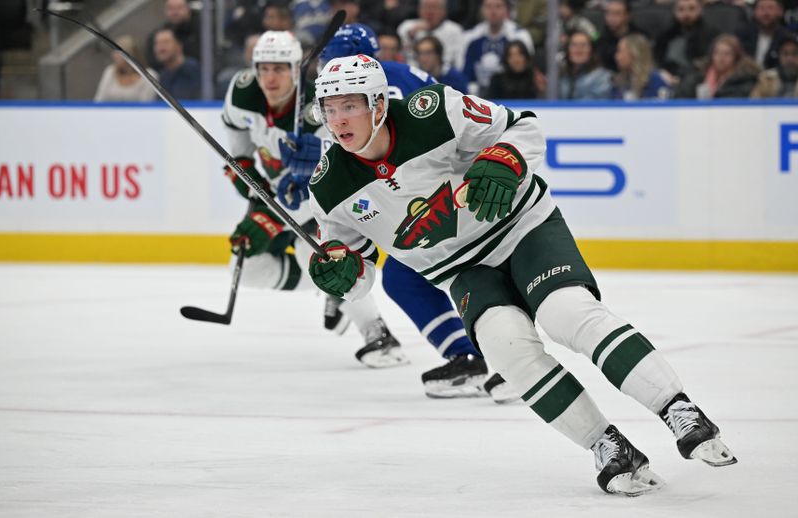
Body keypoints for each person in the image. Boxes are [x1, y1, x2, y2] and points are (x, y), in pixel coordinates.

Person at [306, 54, 737, 496]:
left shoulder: (434, 110)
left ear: (378, 103)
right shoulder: (329, 186)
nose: (338, 120)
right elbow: (355, 271)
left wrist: (506, 156)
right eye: (330, 108)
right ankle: (607, 446)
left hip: (523, 227)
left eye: (350, 105)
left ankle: (678, 409)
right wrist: (336, 275)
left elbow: (525, 125)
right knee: (507, 349)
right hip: (460, 270)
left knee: (567, 314)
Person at [280, 23, 516, 401]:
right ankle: (468, 355)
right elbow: (335, 157)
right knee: (405, 279)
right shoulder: (372, 85)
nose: (332, 76)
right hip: (397, 203)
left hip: (434, 198)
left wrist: (309, 163)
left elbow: (416, 137)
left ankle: (513, 363)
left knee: (468, 273)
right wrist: (303, 170)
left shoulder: (394, 83)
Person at [220, 30, 407, 368]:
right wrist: (244, 171)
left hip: (324, 198)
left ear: (295, 70)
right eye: (263, 68)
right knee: (246, 267)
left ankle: (378, 334)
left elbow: (330, 175)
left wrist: (270, 216)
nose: (269, 77)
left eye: (279, 69)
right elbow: (238, 140)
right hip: (279, 193)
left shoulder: (320, 107)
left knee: (319, 251)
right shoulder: (244, 91)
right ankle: (328, 289)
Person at [459, 0, 534, 96]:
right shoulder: (470, 37)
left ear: (507, 10)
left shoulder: (519, 35)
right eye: (488, 6)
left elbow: (528, 70)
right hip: (476, 96)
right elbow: (464, 72)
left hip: (509, 94)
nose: (493, 11)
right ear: (481, 10)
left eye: (498, 6)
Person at [675, 34, 760, 98]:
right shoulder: (698, 76)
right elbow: (681, 96)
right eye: (717, 53)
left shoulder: (744, 80)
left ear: (736, 57)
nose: (721, 58)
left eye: (727, 54)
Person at [397, 0, 464, 68]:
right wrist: (410, 36)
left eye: (434, 8)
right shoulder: (406, 27)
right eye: (426, 7)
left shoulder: (454, 30)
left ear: (444, 11)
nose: (430, 12)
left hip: (443, 73)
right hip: (412, 72)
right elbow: (400, 55)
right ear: (419, 9)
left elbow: (457, 60)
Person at [94, 35, 158, 102]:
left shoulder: (150, 75)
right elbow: (99, 100)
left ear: (129, 55)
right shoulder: (110, 71)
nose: (113, 56)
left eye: (117, 53)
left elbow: (147, 104)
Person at [611, 34, 671, 100]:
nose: (617, 57)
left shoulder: (655, 80)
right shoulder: (619, 82)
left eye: (620, 51)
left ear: (634, 53)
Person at [146, 0, 202, 71]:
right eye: (170, 8)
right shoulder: (161, 32)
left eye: (179, 8)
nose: (175, 12)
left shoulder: (203, 28)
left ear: (188, 8)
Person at [559, 30, 613, 100]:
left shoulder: (602, 77)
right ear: (567, 50)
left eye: (583, 45)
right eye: (574, 45)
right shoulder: (562, 76)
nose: (578, 49)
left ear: (591, 50)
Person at [154, 27, 202, 100]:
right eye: (157, 43)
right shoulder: (163, 75)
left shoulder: (191, 70)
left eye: (166, 42)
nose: (161, 47)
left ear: (179, 46)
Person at [751, 32, 798, 97]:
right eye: (785, 54)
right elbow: (754, 104)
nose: (790, 59)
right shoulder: (767, 79)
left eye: (795, 53)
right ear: (779, 56)